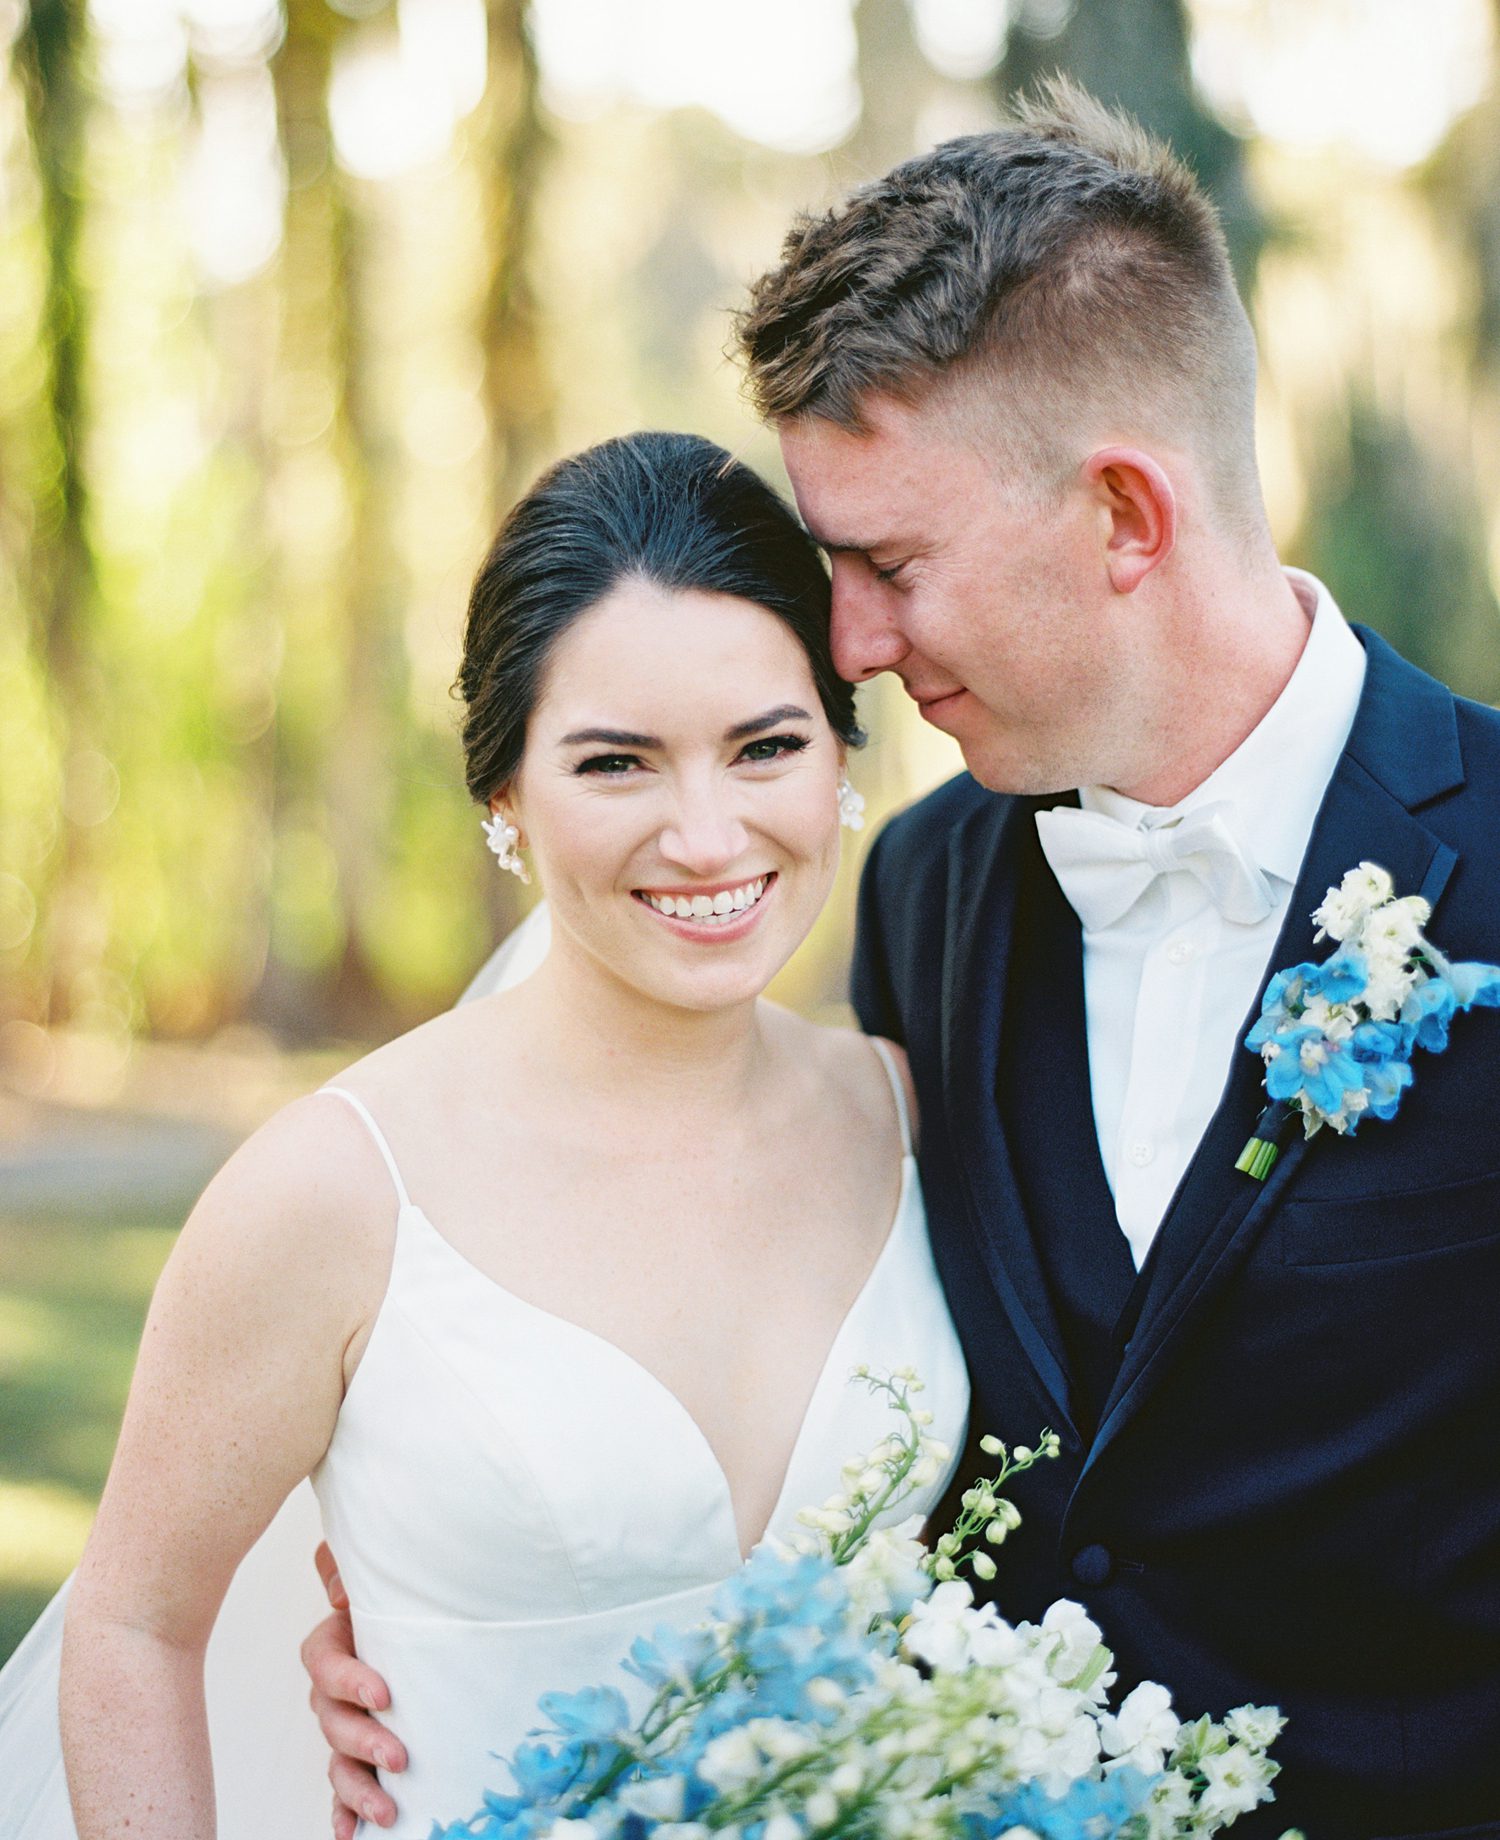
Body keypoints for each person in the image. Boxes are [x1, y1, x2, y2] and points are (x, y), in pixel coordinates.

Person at [305, 83, 1500, 1840]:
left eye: (889, 563)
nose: (845, 642)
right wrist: (450, 1633)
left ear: (1124, 518)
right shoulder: (928, 890)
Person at [0, 430, 969, 1839]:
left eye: (765, 746)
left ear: (838, 755)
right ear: (505, 794)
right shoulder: (335, 1189)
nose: (707, 836)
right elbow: (136, 1631)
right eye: (616, 764)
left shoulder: (909, 1113)